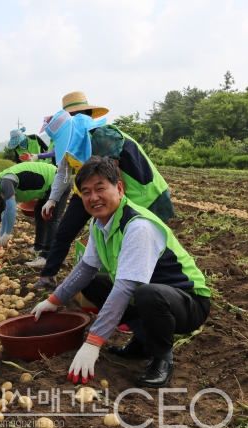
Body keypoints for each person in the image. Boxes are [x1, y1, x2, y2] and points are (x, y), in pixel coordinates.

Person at [31, 156, 210, 388]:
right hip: (149, 294)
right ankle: (143, 341)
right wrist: (53, 300)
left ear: (119, 188)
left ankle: (162, 358)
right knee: (93, 283)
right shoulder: (99, 223)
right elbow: (86, 268)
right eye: (86, 192)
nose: (93, 197)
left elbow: (126, 288)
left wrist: (94, 342)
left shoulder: (138, 226)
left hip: (188, 302)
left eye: (100, 188)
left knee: (147, 294)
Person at [34, 105, 175, 291]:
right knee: (64, 231)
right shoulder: (71, 144)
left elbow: (114, 176)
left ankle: (155, 285)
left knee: (141, 237)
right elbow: (63, 173)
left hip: (139, 191)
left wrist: (118, 206)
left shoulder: (103, 136)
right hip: (91, 189)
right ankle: (48, 276)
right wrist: (52, 199)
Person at [0, 162, 69, 267]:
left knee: (52, 218)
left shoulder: (5, 181)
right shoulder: (1, 182)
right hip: (49, 186)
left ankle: (46, 256)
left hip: (58, 180)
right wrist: (1, 235)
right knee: (39, 211)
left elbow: (11, 209)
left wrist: (7, 234)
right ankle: (39, 247)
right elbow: (6, 211)